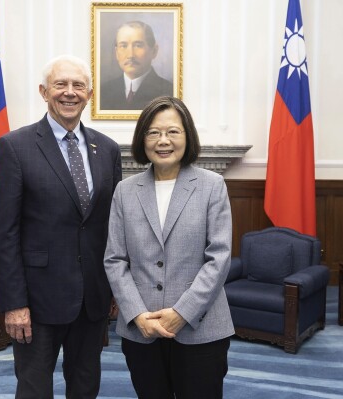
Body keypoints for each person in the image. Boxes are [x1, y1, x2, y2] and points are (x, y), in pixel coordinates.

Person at [0, 54, 122, 398]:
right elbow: (4, 234)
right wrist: (14, 303)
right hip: (36, 301)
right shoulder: (15, 147)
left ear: (89, 94)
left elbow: (112, 226)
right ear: (44, 92)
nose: (69, 92)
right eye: (60, 84)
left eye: (78, 85)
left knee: (85, 386)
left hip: (92, 300)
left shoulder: (107, 149)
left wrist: (114, 289)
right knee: (34, 389)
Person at [103, 96, 234, 399]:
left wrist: (182, 312)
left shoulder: (212, 185)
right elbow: (114, 260)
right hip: (142, 329)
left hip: (201, 329)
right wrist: (136, 314)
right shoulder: (124, 191)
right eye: (153, 132)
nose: (163, 141)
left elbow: (219, 257)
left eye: (173, 132)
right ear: (142, 139)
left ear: (187, 136)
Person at [100, 21, 174, 110]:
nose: (130, 55)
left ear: (154, 51)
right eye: (123, 46)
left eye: (138, 45)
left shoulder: (168, 92)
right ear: (116, 52)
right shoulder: (103, 91)